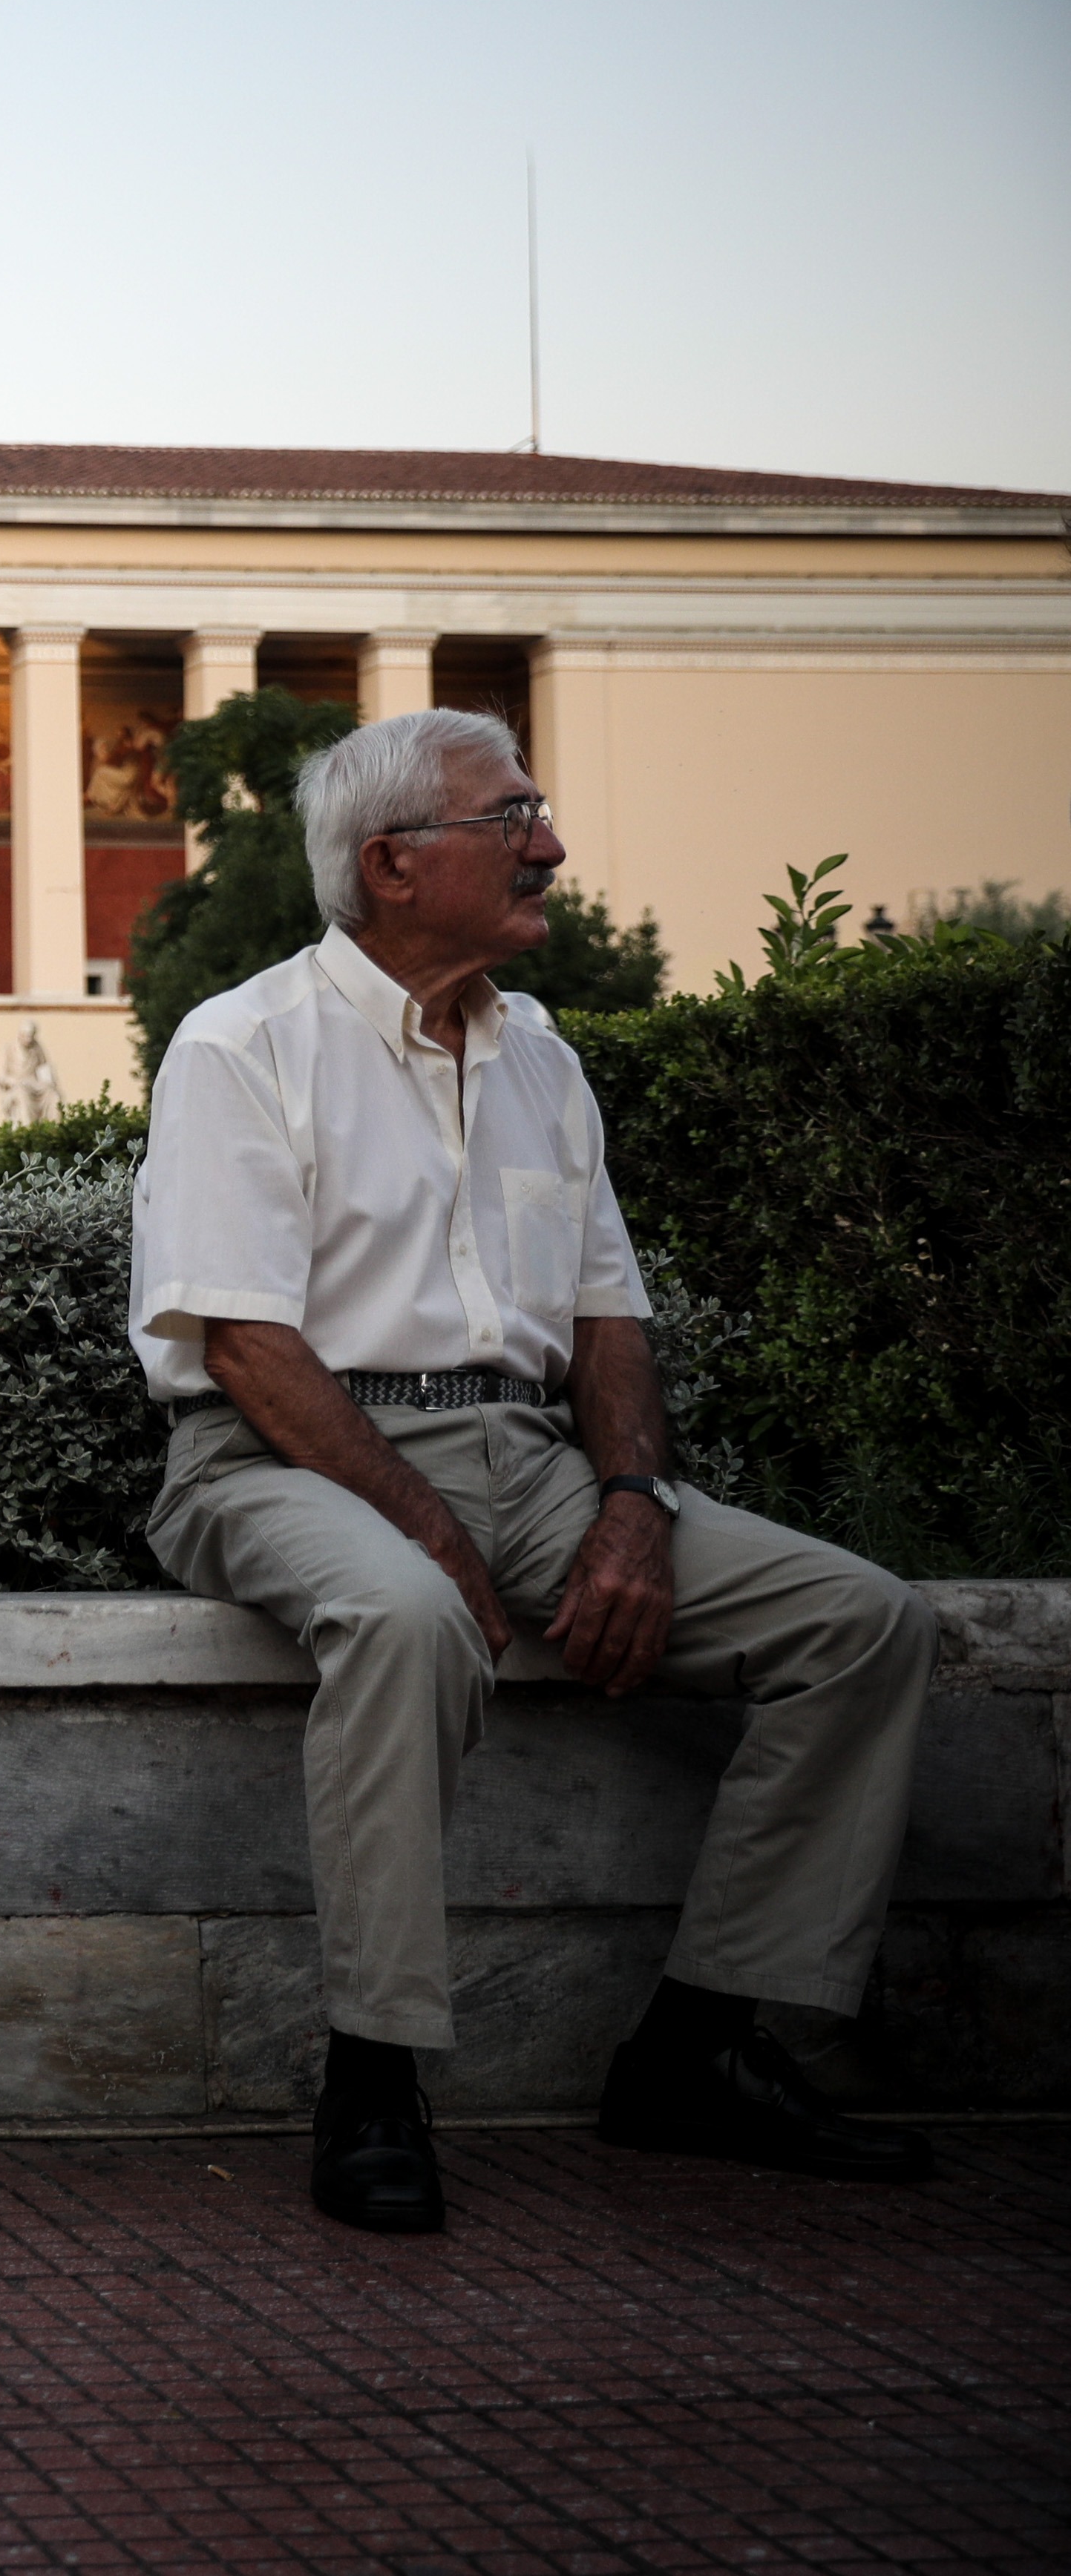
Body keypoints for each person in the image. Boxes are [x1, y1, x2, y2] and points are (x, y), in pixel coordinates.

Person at [135, 709, 938, 2235]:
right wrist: (436, 1532)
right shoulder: (243, 1044)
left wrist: (633, 1511)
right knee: (406, 1614)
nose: (549, 849)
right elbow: (243, 1347)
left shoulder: (540, 1058)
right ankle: (373, 2071)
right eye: (511, 819)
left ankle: (700, 2044)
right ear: (388, 864)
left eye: (534, 814)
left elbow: (605, 1320)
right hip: (276, 1455)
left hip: (530, 1456)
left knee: (864, 1624)